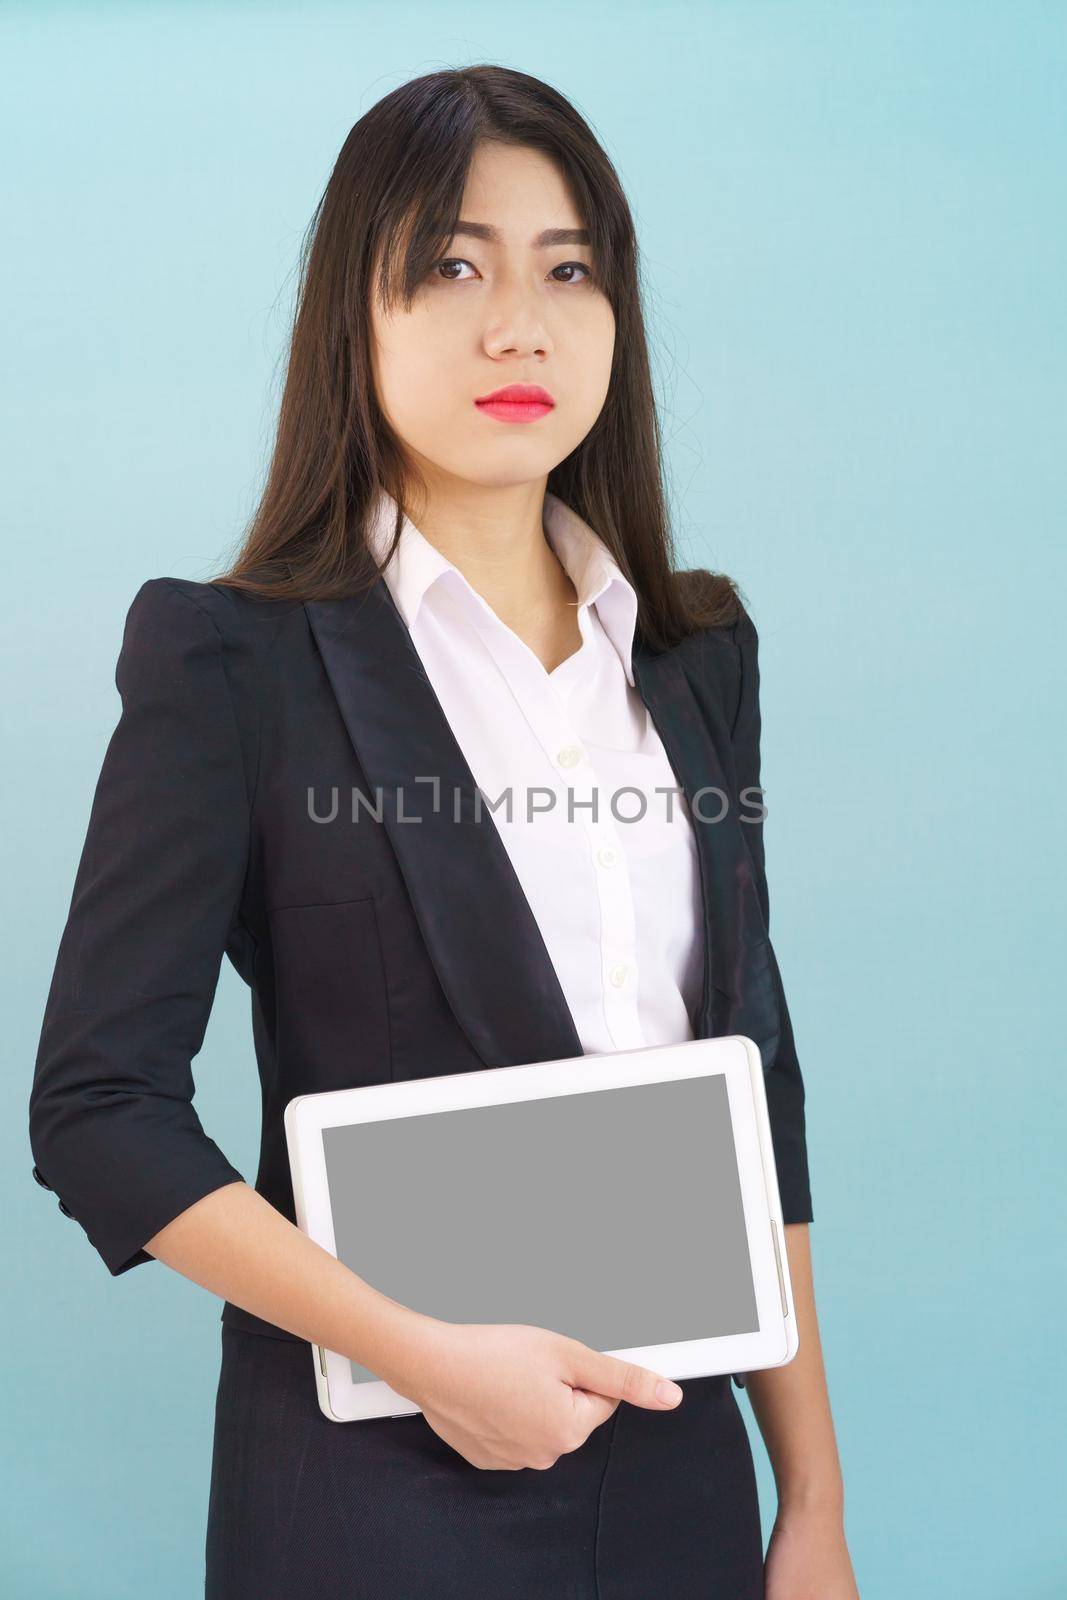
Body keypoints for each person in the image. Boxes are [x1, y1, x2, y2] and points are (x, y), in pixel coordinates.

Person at [29, 64, 858, 1600]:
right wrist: (424, 1356)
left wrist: (809, 1498)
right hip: (378, 1480)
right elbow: (97, 1105)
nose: (519, 324)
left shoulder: (695, 655)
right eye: (453, 267)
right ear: (359, 310)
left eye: (568, 270)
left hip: (678, 1463)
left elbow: (758, 1080)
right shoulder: (235, 661)